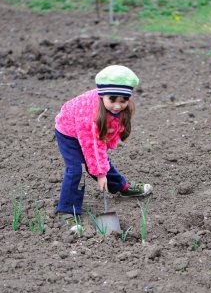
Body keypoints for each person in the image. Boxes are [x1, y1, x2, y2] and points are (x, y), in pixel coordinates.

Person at [55, 65, 152, 231]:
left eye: (123, 101)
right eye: (112, 100)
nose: (117, 106)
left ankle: (122, 187)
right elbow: (92, 145)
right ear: (102, 96)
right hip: (69, 133)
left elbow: (101, 144)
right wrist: (100, 174)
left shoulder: (116, 107)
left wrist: (101, 170)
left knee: (102, 162)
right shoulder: (90, 114)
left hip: (88, 135)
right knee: (77, 170)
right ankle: (67, 211)